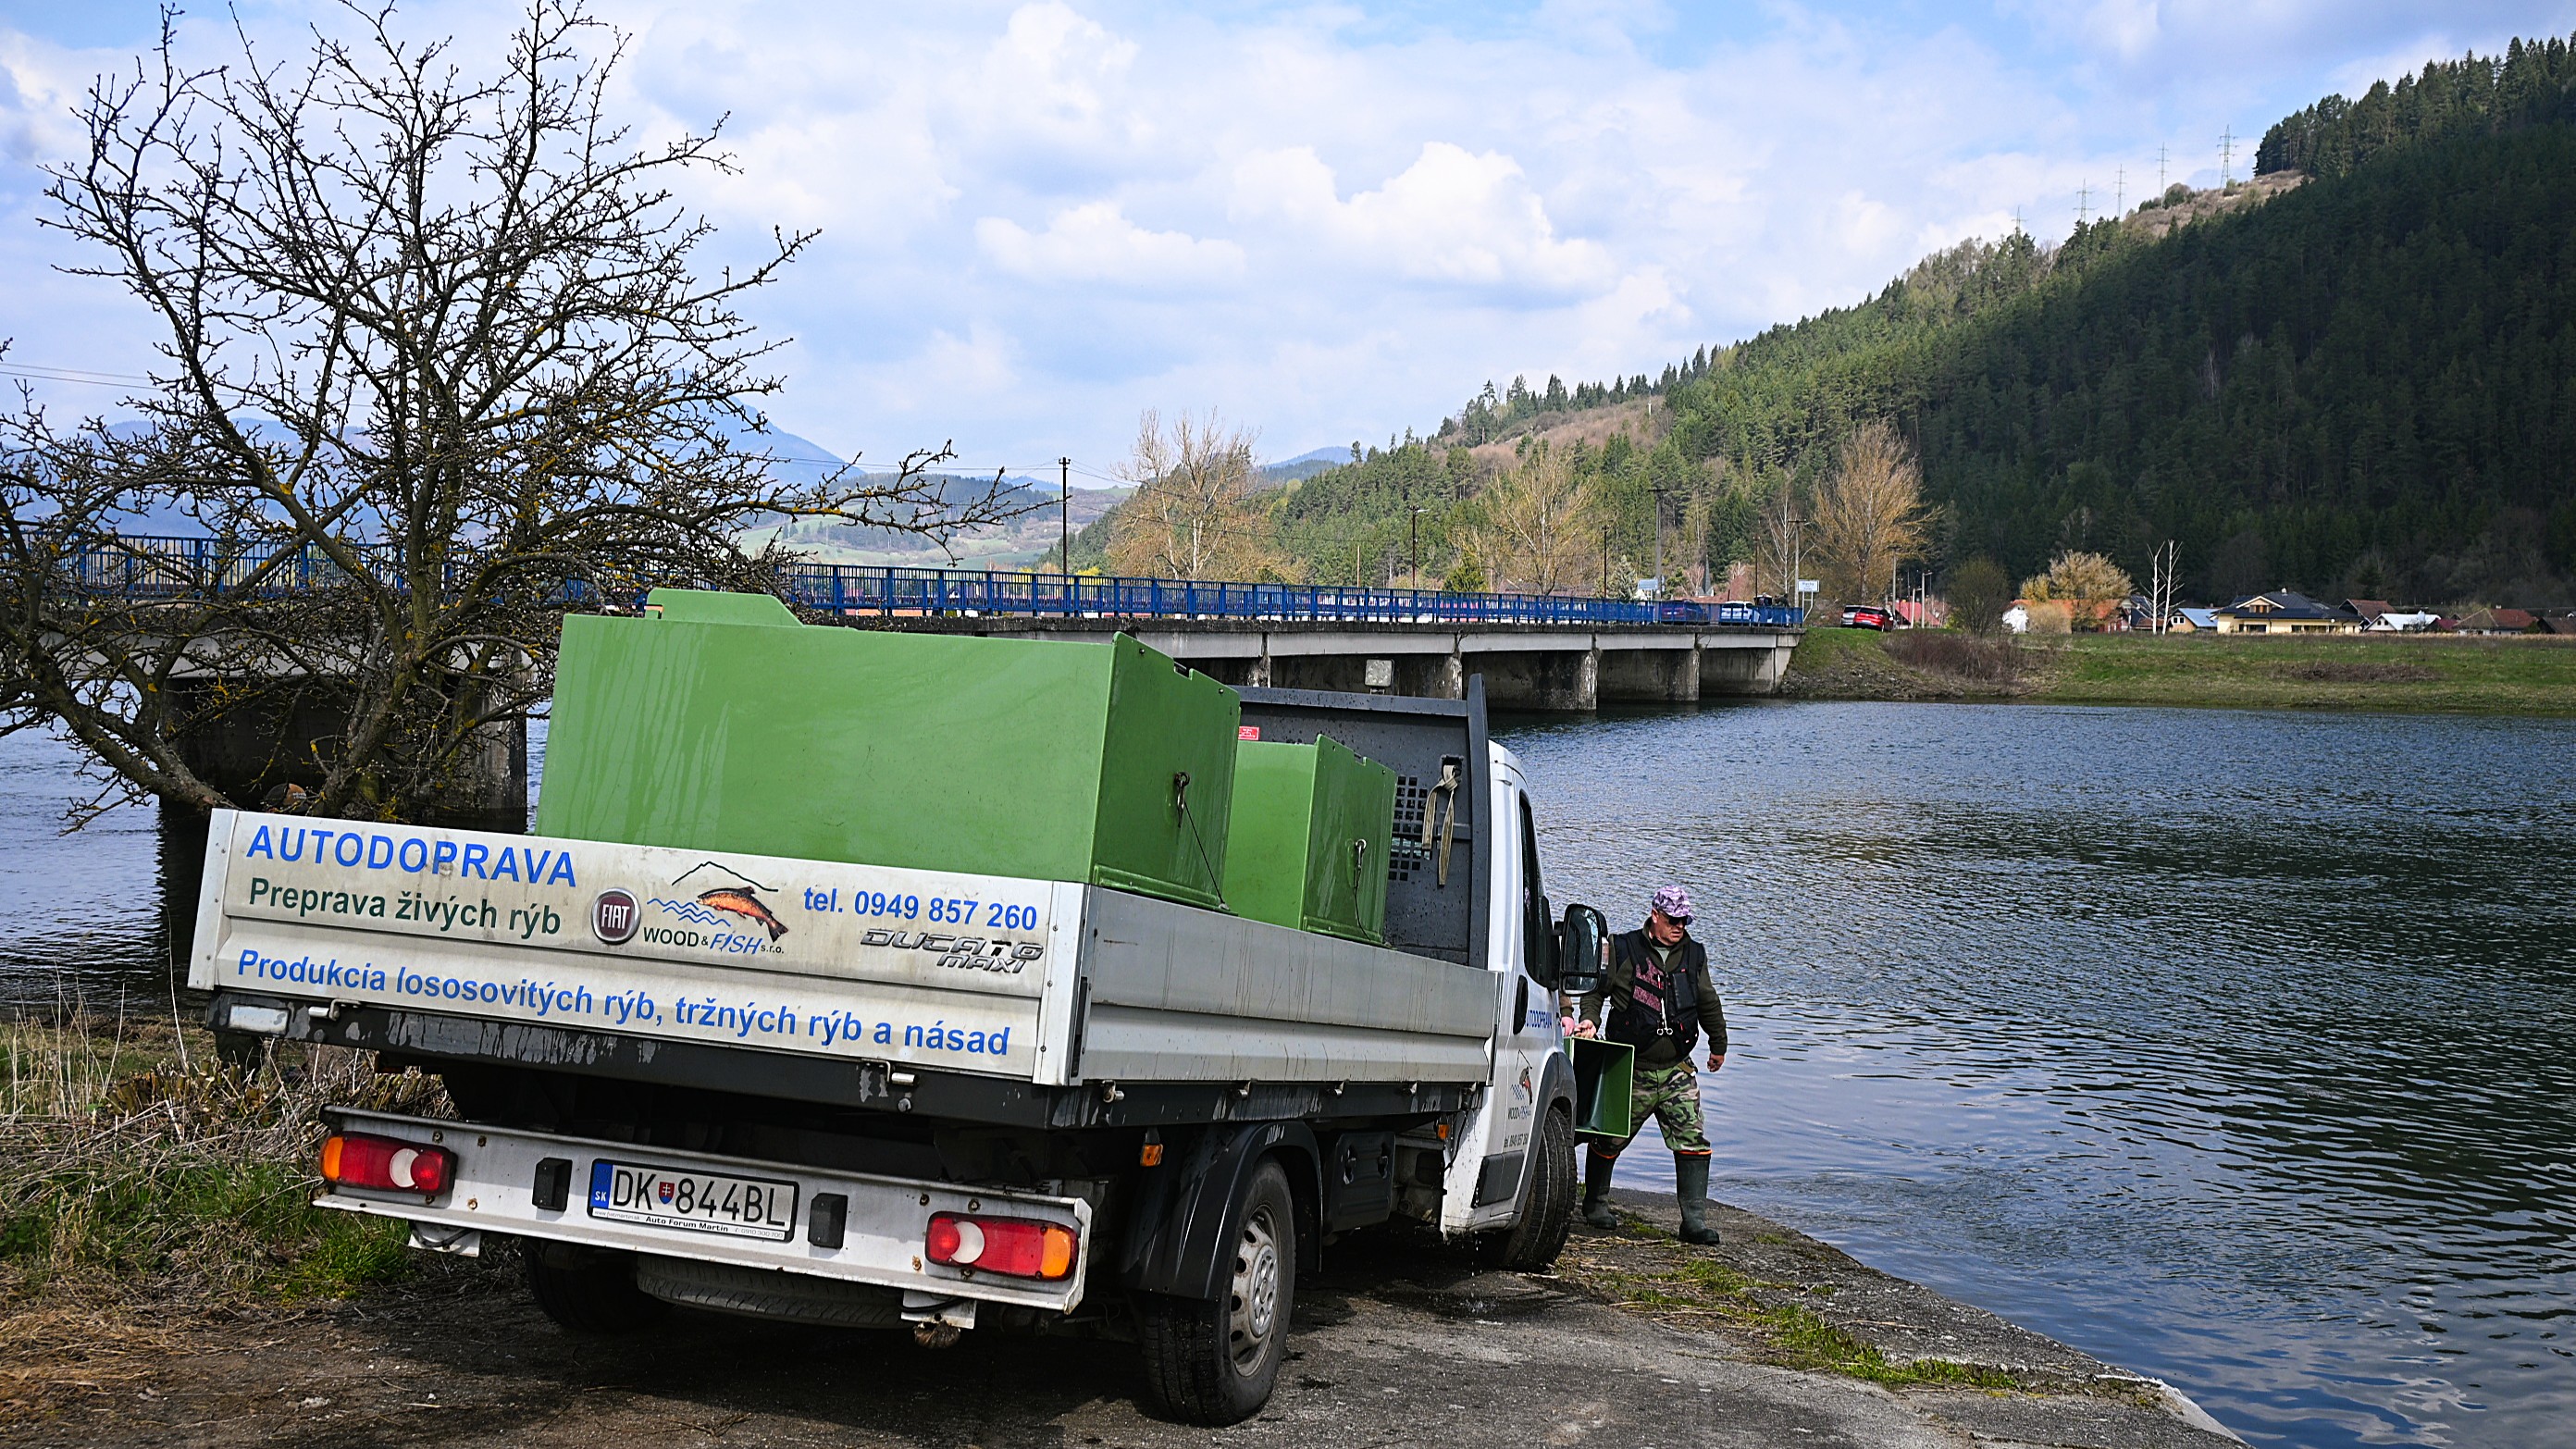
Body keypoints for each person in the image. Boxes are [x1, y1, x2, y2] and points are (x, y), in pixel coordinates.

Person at [1571, 884, 1728, 1245]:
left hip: (1676, 1069)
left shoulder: (1694, 955)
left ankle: (1693, 1222)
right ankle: (1595, 1204)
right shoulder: (1624, 948)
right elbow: (1595, 990)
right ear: (1655, 915)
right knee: (1610, 1138)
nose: (1679, 927)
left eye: (1685, 921)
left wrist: (1718, 1043)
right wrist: (1590, 1020)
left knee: (1693, 1140)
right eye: (1673, 920)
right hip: (1631, 1067)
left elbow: (1708, 1001)